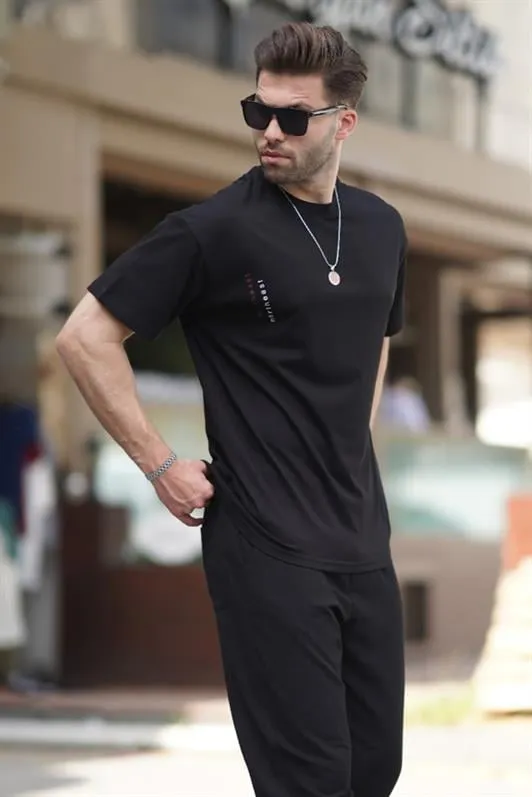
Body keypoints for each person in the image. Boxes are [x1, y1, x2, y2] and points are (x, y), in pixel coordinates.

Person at [56, 22, 407, 797]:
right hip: (264, 546)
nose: (269, 132)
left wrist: (350, 442)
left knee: (374, 772)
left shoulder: (381, 228)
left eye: (293, 117)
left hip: (363, 540)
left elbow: (376, 337)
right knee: (311, 781)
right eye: (258, 112)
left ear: (344, 122)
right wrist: (160, 465)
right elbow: (84, 338)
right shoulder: (212, 230)